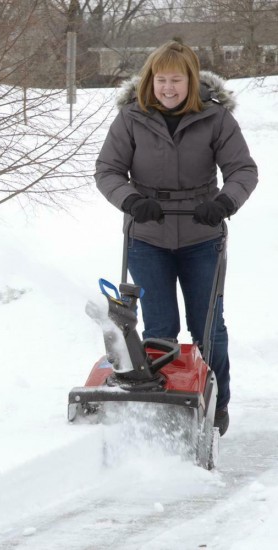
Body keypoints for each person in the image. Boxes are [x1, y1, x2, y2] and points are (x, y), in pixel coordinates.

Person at [95, 41, 258, 436]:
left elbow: (242, 171)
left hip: (203, 235)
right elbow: (108, 171)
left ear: (191, 82)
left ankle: (215, 403)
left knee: (207, 328)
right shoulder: (131, 119)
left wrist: (222, 202)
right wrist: (132, 199)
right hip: (147, 236)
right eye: (161, 80)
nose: (168, 88)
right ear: (151, 81)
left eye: (177, 80)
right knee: (159, 327)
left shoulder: (216, 119)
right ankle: (164, 408)